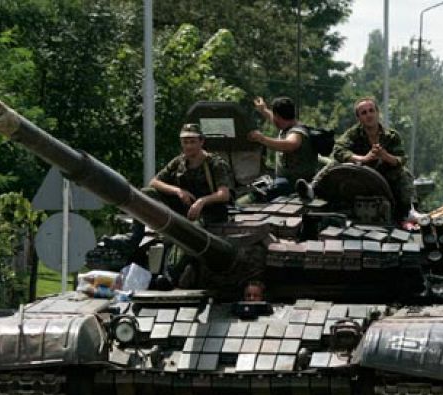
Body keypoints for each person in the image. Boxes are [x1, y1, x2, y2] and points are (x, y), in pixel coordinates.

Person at [131, 123, 232, 287]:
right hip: (184, 208)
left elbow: (224, 194)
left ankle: (171, 274)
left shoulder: (214, 163)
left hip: (210, 211)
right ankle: (134, 238)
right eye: (185, 142)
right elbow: (154, 182)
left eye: (192, 141)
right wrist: (178, 191)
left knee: (188, 233)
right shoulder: (179, 162)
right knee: (146, 193)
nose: (188, 146)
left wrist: (202, 201)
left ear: (201, 142)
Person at [298, 97, 416, 221]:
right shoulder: (353, 134)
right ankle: (312, 188)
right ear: (359, 118)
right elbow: (338, 149)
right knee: (336, 163)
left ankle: (409, 210)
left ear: (377, 113)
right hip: (357, 173)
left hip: (384, 174)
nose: (369, 115)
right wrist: (364, 158)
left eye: (371, 111)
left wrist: (384, 155)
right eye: (364, 113)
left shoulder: (391, 136)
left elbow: (401, 159)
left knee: (404, 173)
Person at [246, 96, 319, 200]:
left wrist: (262, 139)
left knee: (255, 196)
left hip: (295, 183)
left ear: (279, 117)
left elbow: (290, 144)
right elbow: (274, 118)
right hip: (285, 180)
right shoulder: (287, 125)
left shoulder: (297, 132)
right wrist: (263, 110)